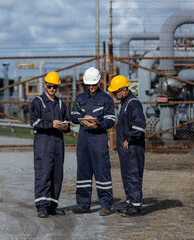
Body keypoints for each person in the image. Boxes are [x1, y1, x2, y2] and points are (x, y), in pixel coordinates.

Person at [70, 67, 115, 216]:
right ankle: (83, 204)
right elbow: (73, 115)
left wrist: (98, 125)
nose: (91, 87)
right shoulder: (80, 98)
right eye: (88, 84)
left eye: (94, 84)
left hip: (99, 138)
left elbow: (110, 120)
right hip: (83, 137)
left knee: (102, 171)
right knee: (83, 171)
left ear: (99, 81)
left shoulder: (106, 99)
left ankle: (106, 205)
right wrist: (82, 120)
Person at [29, 71, 70, 218]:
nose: (52, 89)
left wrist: (66, 127)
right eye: (50, 86)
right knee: (43, 174)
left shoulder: (60, 103)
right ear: (45, 85)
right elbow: (34, 122)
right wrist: (50, 124)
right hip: (43, 144)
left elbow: (67, 122)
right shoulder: (38, 102)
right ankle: (42, 206)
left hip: (58, 144)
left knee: (57, 176)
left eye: (55, 87)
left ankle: (53, 205)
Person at [108, 75, 146, 217]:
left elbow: (139, 125)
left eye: (115, 92)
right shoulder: (126, 103)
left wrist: (129, 139)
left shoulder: (133, 103)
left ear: (124, 90)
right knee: (127, 175)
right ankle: (130, 203)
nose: (114, 95)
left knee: (133, 175)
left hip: (133, 148)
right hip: (127, 149)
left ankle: (135, 206)